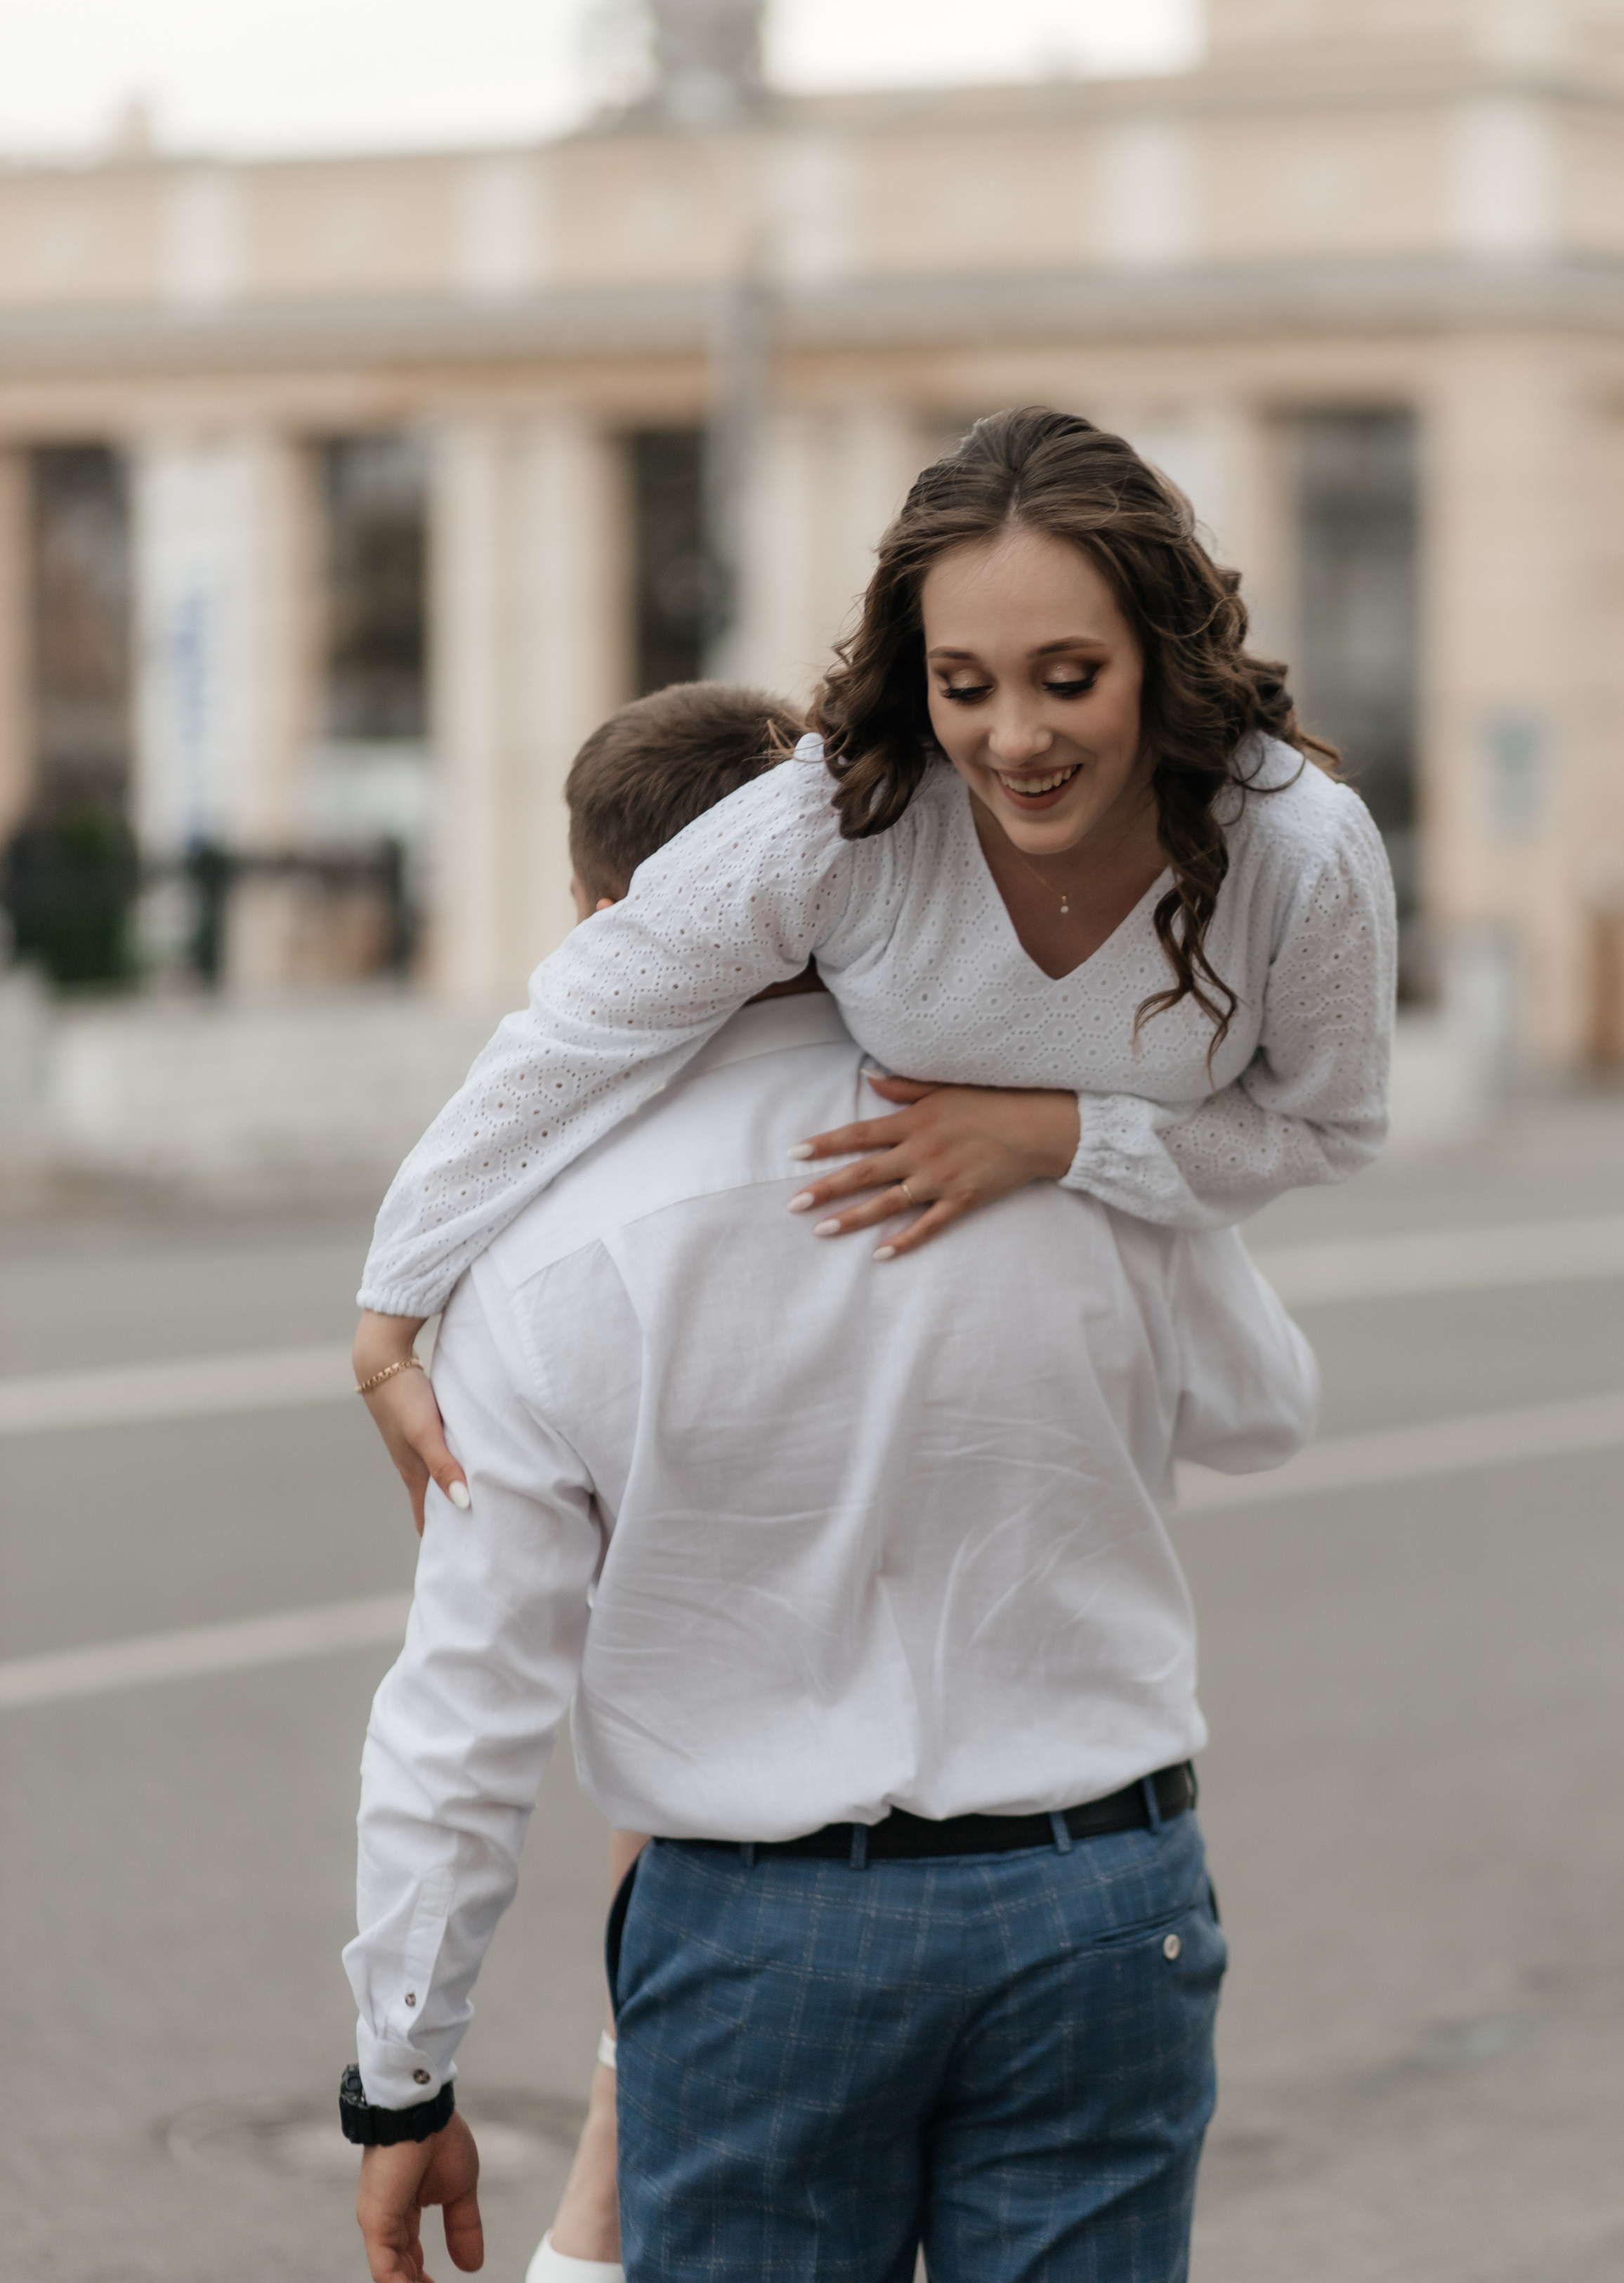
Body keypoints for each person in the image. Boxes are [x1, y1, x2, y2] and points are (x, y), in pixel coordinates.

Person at [343, 679, 1323, 2283]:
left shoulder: (531, 1259)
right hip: (1098, 1902)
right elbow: (1262, 1412)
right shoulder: (1057, 1140)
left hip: (756, 1941)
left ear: (601, 919)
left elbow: (464, 1716)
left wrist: (400, 2080)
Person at [351, 406, 1396, 1463]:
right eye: (965, 686)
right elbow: (584, 1019)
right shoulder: (848, 814)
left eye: (1070, 678)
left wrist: (1058, 1135)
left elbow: (1329, 1127)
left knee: (1263, 1431)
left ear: (1159, 656)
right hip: (907, 1286)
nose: (1018, 739)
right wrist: (393, 1306)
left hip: (1156, 1245)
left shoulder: (1300, 850)